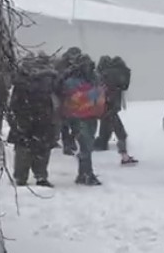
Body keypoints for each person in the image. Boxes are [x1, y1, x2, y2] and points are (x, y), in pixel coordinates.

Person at [8, 55, 59, 187]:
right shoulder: (50, 80)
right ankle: (40, 176)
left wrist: (15, 121)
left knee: (24, 150)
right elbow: (55, 102)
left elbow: (14, 105)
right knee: (41, 150)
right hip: (42, 119)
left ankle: (21, 177)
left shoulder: (21, 82)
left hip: (26, 120)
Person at [61, 54, 106, 185]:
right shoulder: (72, 81)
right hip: (79, 117)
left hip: (89, 116)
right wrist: (93, 95)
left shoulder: (92, 79)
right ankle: (87, 174)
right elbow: (75, 99)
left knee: (87, 146)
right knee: (86, 146)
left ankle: (83, 174)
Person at [94, 56, 138, 165]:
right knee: (121, 133)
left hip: (104, 105)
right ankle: (124, 156)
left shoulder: (101, 75)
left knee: (109, 126)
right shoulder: (119, 73)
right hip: (112, 106)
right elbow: (124, 86)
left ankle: (102, 144)